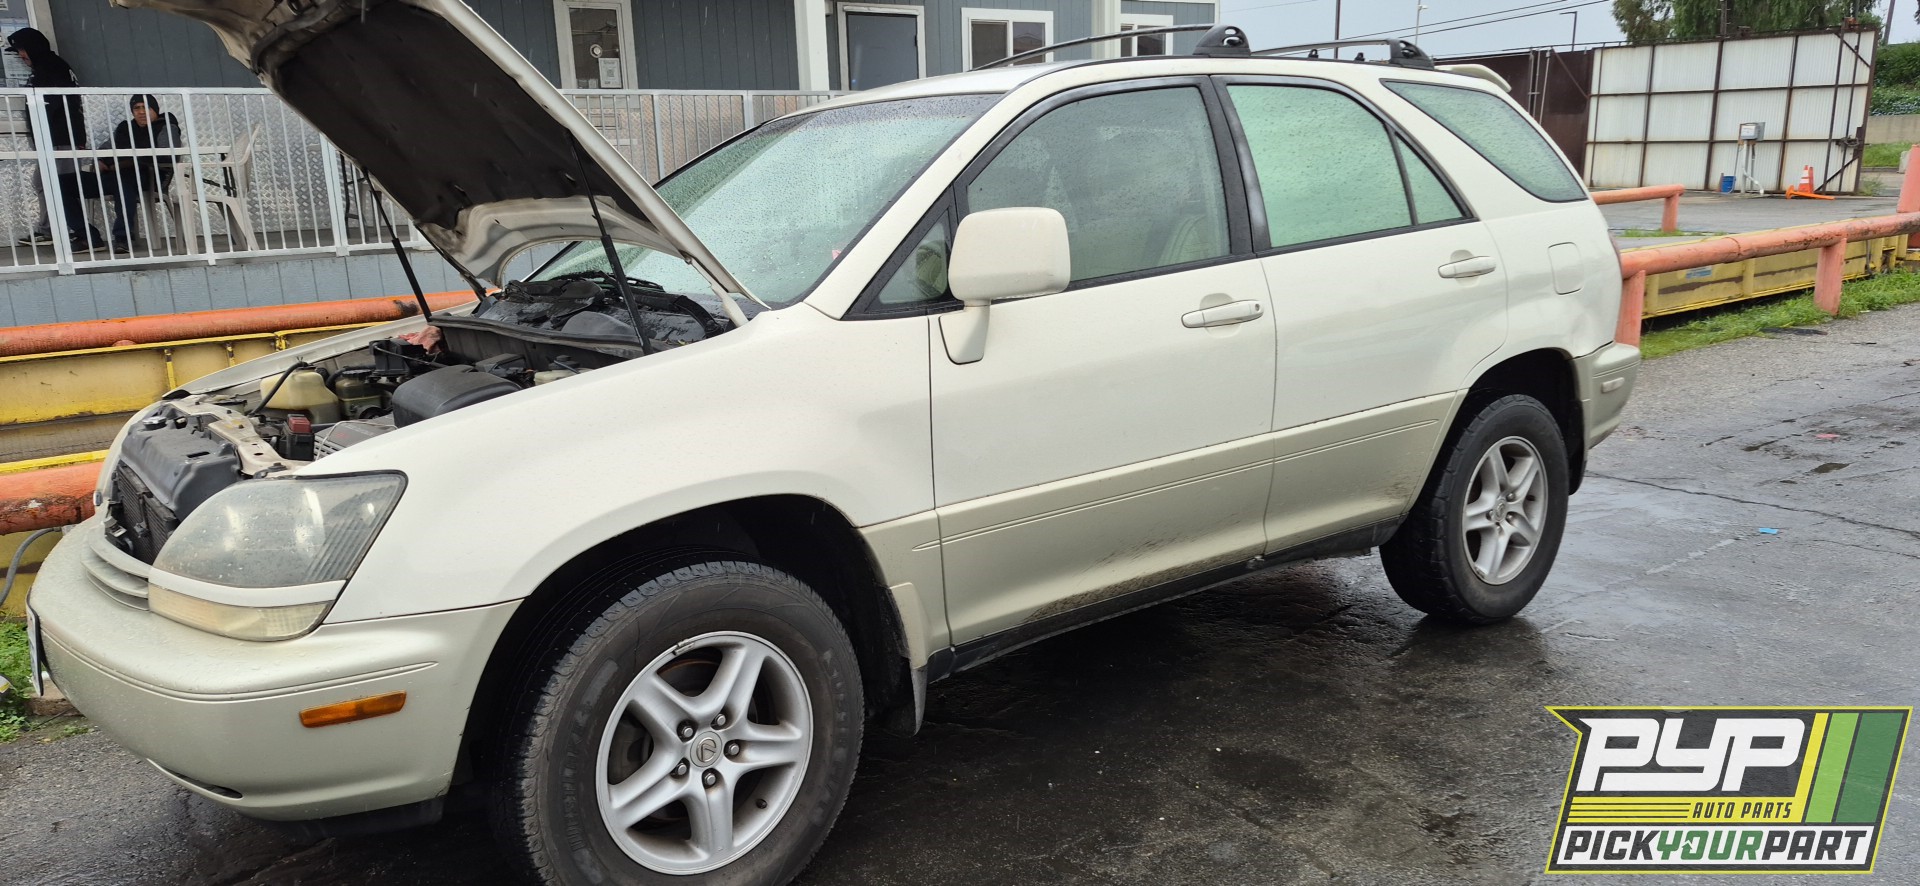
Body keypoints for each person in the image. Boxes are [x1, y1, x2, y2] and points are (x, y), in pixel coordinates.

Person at [58, 94, 183, 253]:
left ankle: (123, 237)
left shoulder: (166, 127)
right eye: (136, 108)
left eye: (146, 107)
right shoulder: (126, 128)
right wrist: (102, 160)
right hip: (114, 175)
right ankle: (88, 237)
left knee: (124, 180)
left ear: (155, 110)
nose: (141, 112)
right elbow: (105, 149)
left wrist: (127, 162)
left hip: (148, 177)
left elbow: (168, 155)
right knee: (60, 184)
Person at [5, 27, 85, 248]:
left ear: (34, 47)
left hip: (61, 137)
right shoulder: (45, 67)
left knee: (59, 184)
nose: (21, 55)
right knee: (44, 182)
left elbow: (53, 106)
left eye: (22, 49)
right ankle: (53, 229)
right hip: (53, 138)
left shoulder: (52, 67)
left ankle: (67, 231)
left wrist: (45, 134)